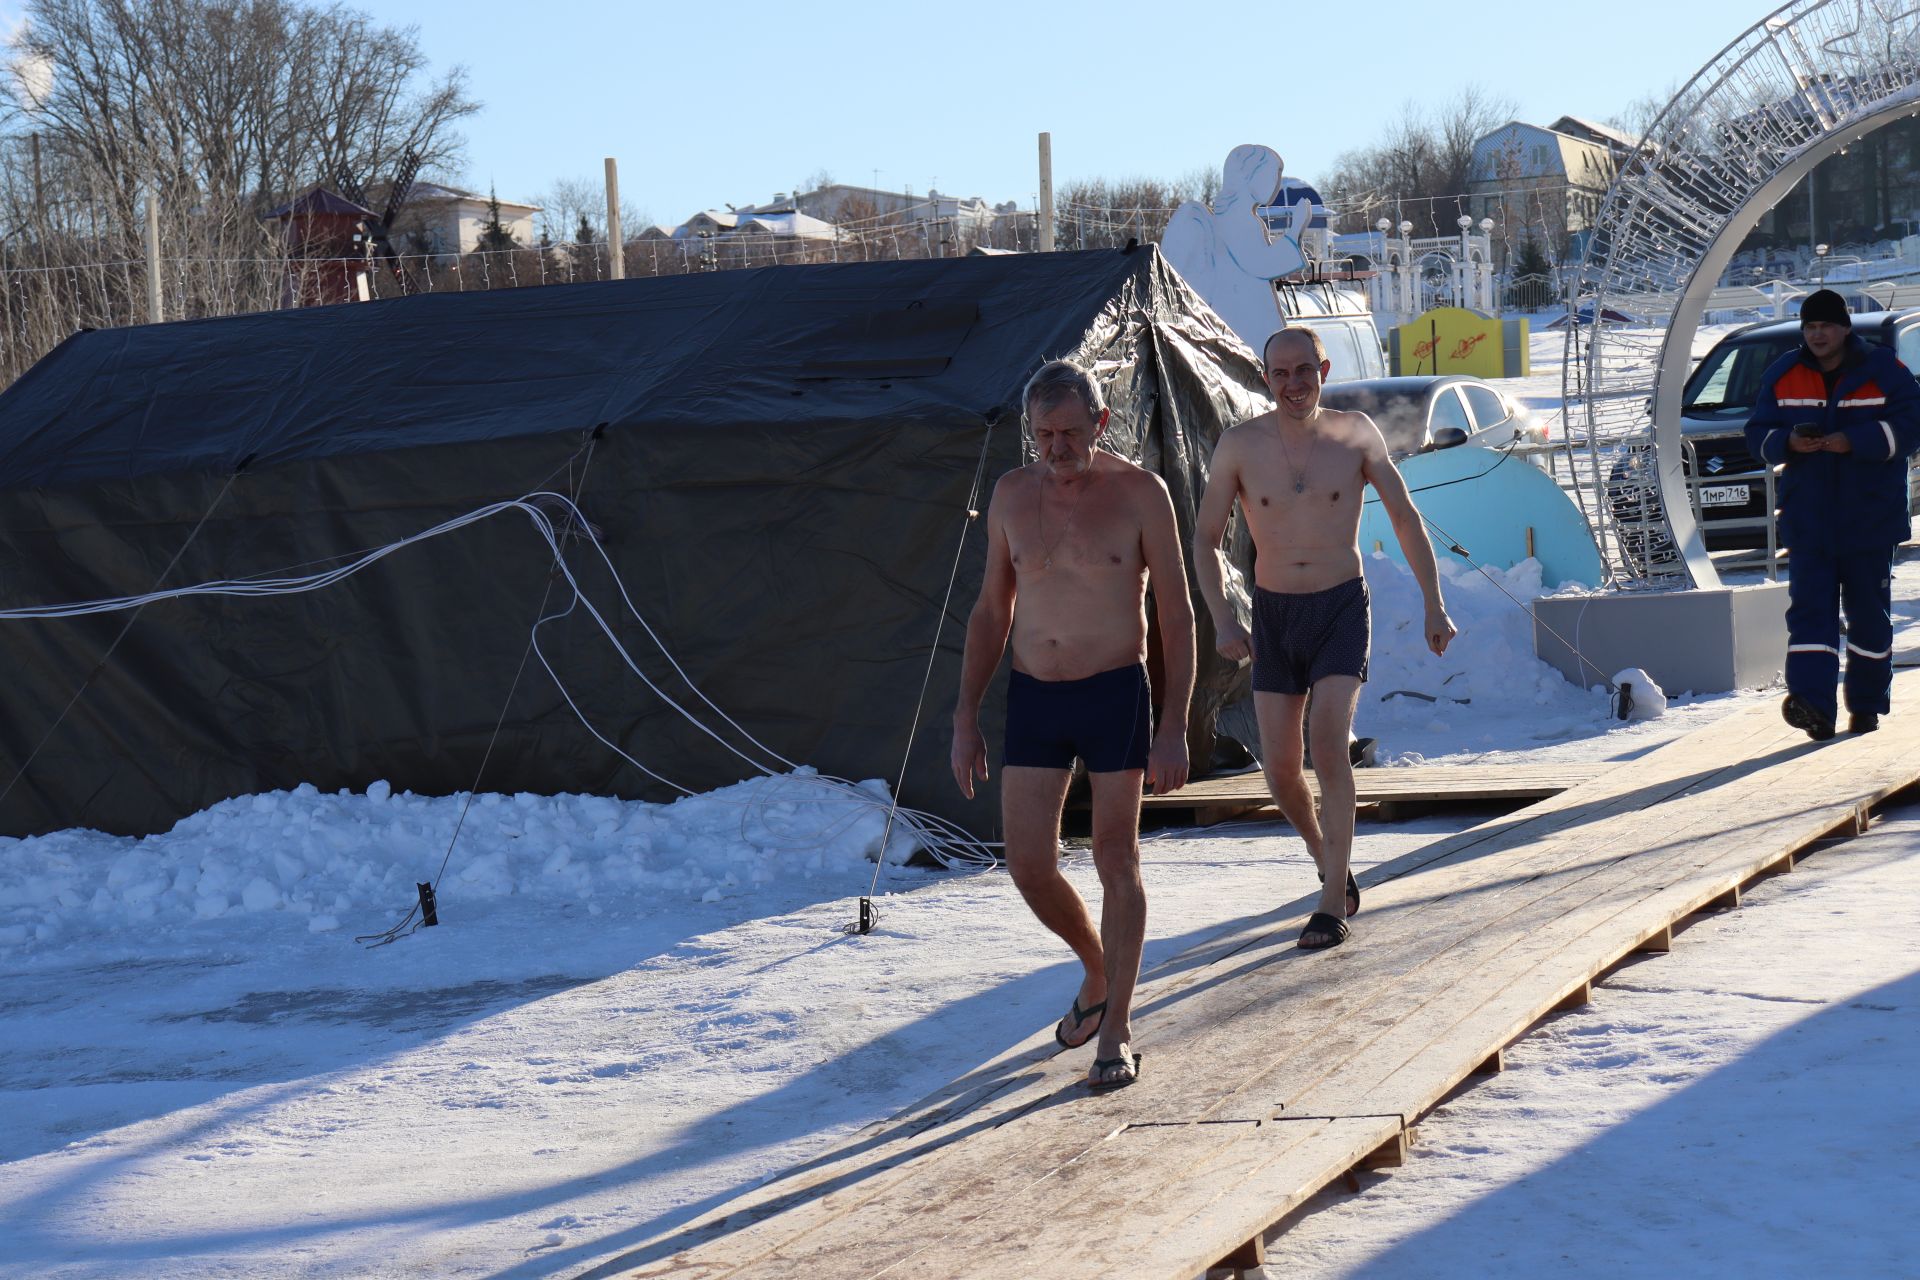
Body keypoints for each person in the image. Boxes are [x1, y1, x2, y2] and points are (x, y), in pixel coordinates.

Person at [951, 359, 1195, 1091]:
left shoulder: (1140, 493)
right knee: (1028, 864)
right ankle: (1097, 969)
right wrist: (966, 716)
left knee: (1117, 860)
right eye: (1042, 434)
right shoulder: (1010, 496)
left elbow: (1177, 614)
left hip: (1116, 692)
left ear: (1101, 423)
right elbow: (993, 611)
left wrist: (1176, 723)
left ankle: (1115, 1027)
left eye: (1069, 432)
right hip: (1036, 695)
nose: (1056, 448)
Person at [1192, 326, 1455, 951]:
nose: (1293, 385)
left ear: (1324, 368)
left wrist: (1434, 606)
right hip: (1275, 614)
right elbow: (1204, 540)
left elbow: (1405, 517)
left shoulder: (1354, 433)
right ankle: (1327, 857)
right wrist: (1224, 619)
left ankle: (1332, 899)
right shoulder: (1239, 445)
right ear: (1265, 378)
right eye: (1279, 373)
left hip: (1340, 605)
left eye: (1303, 371)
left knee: (1328, 744)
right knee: (1281, 773)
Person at [1745, 288, 1920, 740]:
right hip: (1809, 521)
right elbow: (1758, 433)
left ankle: (1865, 705)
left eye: (1825, 325)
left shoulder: (1884, 370)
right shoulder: (1783, 374)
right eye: (1810, 327)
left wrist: (1856, 440)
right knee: (1809, 616)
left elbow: (1912, 426)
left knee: (1868, 617)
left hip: (1869, 521)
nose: (1817, 334)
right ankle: (1813, 706)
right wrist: (1788, 443)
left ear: (1844, 328)